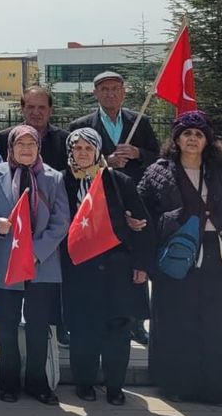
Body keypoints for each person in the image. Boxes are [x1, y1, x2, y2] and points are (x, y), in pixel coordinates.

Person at [138, 110, 222, 406]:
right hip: (178, 259)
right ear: (176, 139)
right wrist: (166, 222)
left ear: (208, 140)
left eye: (198, 134)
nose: (192, 139)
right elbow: (141, 211)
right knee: (181, 324)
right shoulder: (157, 173)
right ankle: (181, 386)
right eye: (186, 134)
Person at [0, 126, 68, 405]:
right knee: (7, 325)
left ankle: (37, 383)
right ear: (11, 148)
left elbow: (61, 221)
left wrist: (36, 252)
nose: (26, 149)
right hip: (5, 263)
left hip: (41, 264)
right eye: (20, 144)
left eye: (31, 144)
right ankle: (9, 383)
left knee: (38, 326)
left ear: (39, 147)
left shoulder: (53, 178)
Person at [59, 128, 151, 405]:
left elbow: (142, 224)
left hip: (116, 270)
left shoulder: (118, 181)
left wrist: (142, 264)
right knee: (83, 329)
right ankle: (84, 383)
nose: (83, 153)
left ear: (98, 151)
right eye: (77, 148)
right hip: (80, 270)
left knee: (117, 329)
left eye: (88, 148)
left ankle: (115, 386)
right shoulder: (61, 182)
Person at [68, 71, 159, 347]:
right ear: (95, 93)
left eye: (115, 88)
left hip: (134, 202)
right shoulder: (82, 125)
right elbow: (75, 163)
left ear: (123, 91)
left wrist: (138, 154)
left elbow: (157, 157)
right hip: (99, 206)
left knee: (135, 264)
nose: (110, 93)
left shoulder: (139, 122)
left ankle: (137, 323)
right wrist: (105, 161)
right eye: (104, 89)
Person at [0, 86, 69, 171]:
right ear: (22, 109)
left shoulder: (64, 140)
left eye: (41, 107)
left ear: (50, 110)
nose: (36, 112)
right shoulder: (3, 139)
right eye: (31, 107)